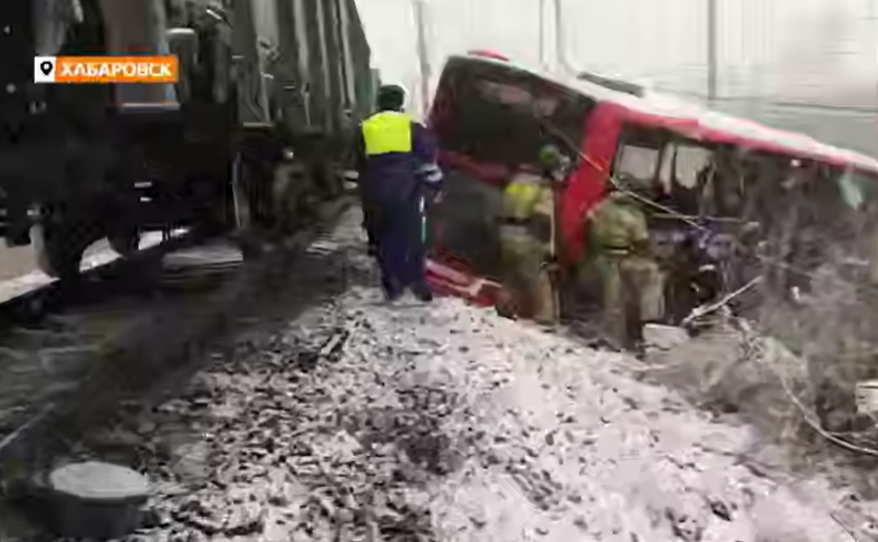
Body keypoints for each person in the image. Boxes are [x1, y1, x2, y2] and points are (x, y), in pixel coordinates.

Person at [354, 84, 442, 302]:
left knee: (383, 237)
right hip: (406, 190)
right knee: (411, 236)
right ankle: (417, 281)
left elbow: (357, 161)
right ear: (400, 102)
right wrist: (432, 185)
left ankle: (392, 283)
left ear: (379, 102)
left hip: (375, 191)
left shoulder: (365, 127)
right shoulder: (411, 126)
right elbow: (428, 155)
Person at [588, 175, 664, 350]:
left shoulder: (600, 206)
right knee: (624, 298)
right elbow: (641, 241)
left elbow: (589, 225)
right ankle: (624, 337)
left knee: (607, 300)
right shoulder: (633, 213)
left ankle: (605, 334)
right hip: (621, 259)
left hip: (599, 258)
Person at [496, 145, 566, 324]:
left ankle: (503, 308)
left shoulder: (518, 180)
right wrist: (549, 252)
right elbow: (542, 221)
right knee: (539, 279)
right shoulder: (542, 188)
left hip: (506, 233)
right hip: (526, 237)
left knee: (511, 275)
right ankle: (545, 319)